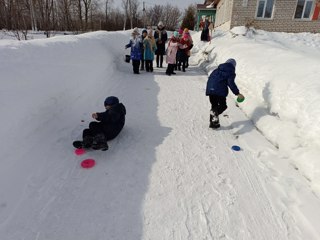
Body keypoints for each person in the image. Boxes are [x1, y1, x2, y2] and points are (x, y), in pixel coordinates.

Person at [205, 59, 244, 128]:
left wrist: (210, 88)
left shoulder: (216, 70)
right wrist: (237, 93)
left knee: (214, 106)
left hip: (210, 89)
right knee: (223, 106)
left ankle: (214, 124)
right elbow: (231, 83)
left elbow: (210, 78)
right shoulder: (230, 72)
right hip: (219, 91)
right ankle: (214, 117)